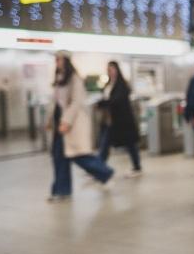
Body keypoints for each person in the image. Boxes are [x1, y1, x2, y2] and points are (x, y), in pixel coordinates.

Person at [48, 51, 114, 202]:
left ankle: (105, 172)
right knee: (59, 157)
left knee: (80, 156)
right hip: (60, 124)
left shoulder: (74, 79)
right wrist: (50, 120)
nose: (56, 62)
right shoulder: (59, 80)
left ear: (66, 61)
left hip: (72, 125)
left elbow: (76, 102)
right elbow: (56, 103)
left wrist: (66, 122)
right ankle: (61, 190)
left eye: (58, 59)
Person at [97, 61, 141, 178]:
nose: (110, 71)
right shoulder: (108, 84)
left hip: (122, 120)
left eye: (112, 69)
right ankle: (98, 168)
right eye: (108, 69)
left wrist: (104, 103)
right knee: (104, 144)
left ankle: (137, 167)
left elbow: (117, 100)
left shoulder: (122, 84)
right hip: (109, 120)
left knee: (130, 144)